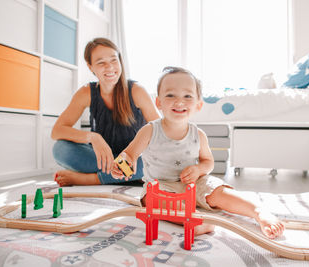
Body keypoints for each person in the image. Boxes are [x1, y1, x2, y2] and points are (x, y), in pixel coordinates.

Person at [111, 66, 285, 238]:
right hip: (160, 186)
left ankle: (258, 212)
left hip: (193, 184)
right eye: (170, 95)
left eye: (187, 96)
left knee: (218, 191)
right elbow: (129, 154)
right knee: (151, 202)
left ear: (198, 105)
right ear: (159, 102)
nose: (179, 102)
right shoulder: (149, 130)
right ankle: (193, 221)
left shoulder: (198, 135)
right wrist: (123, 162)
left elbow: (208, 162)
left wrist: (198, 170)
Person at [51, 37, 160, 186]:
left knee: (156, 160)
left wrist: (132, 154)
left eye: (114, 60)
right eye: (101, 63)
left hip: (133, 158)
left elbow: (161, 131)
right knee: (60, 149)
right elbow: (57, 131)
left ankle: (92, 179)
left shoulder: (136, 91)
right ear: (90, 67)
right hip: (104, 158)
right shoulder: (86, 92)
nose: (109, 67)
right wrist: (93, 137)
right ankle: (126, 176)